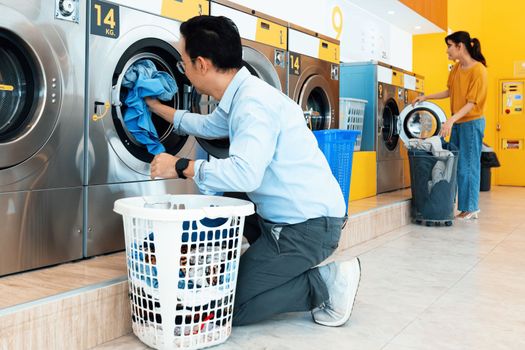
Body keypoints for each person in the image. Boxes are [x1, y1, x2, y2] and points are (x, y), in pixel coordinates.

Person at [145, 15, 361, 326]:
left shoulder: (252, 104)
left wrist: (180, 166)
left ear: (202, 64)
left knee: (227, 309)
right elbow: (206, 125)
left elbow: (246, 174)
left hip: (308, 228)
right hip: (291, 218)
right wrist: (156, 108)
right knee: (228, 195)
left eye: (183, 61)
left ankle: (326, 282)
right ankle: (237, 267)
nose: (183, 68)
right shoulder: (241, 93)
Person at [412, 31, 487, 220]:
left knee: (467, 166)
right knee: (453, 164)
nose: (447, 51)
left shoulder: (478, 70)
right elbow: (449, 91)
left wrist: (451, 120)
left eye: (449, 46)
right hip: (459, 122)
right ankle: (463, 207)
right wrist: (426, 97)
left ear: (460, 46)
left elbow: (472, 103)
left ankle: (471, 207)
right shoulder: (455, 69)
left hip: (471, 122)